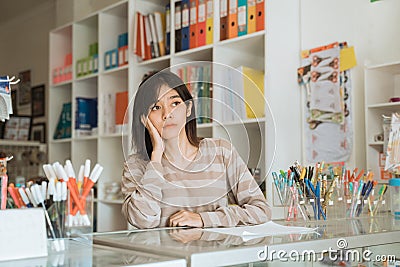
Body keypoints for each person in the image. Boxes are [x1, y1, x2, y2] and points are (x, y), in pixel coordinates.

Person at [121, 70, 271, 229]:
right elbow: (143, 220)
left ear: (188, 108)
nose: (167, 114)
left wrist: (203, 219)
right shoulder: (136, 166)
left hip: (214, 253)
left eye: (175, 103)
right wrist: (156, 156)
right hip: (167, 254)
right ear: (144, 118)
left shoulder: (221, 151)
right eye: (156, 107)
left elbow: (261, 210)